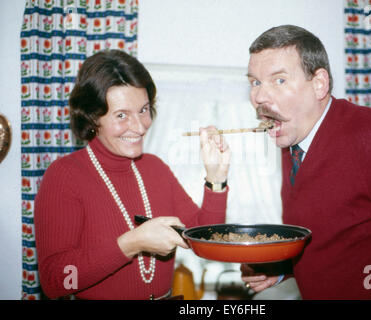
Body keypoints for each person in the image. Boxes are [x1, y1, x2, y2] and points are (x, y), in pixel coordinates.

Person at [241, 25, 371, 299]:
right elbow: (333, 241)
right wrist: (281, 269)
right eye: (255, 82)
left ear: (319, 84)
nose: (260, 97)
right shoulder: (293, 142)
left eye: (279, 80)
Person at [34, 50, 231, 300]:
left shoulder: (155, 168)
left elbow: (208, 243)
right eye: (121, 115)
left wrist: (216, 177)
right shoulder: (65, 176)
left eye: (143, 110)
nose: (139, 126)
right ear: (93, 116)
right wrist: (130, 244)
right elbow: (56, 281)